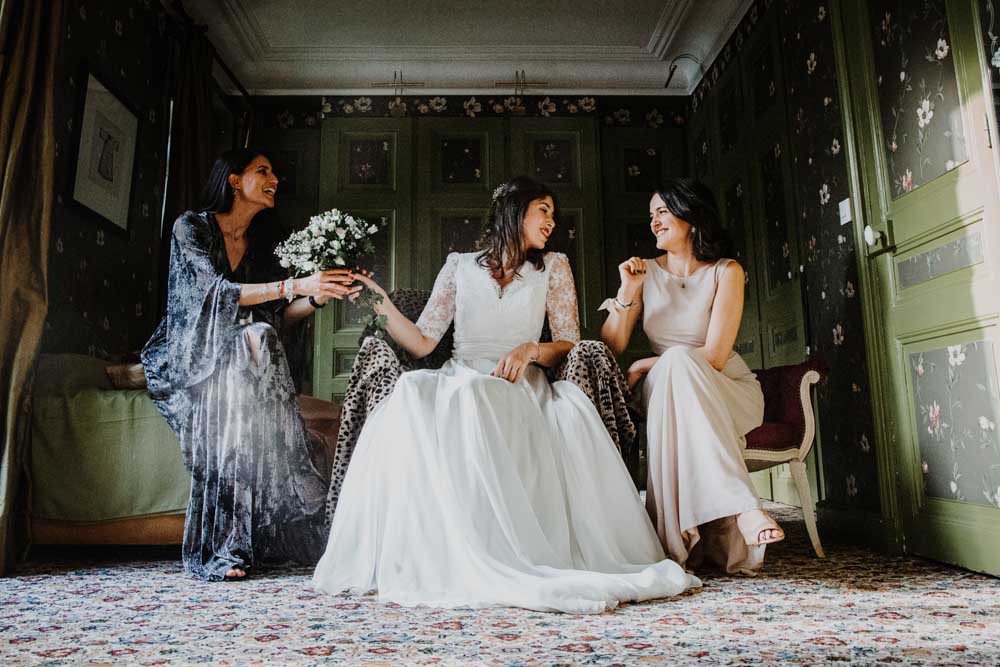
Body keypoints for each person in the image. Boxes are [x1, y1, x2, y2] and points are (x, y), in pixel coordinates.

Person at [312, 176, 700, 613]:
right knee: (411, 390)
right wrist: (378, 301)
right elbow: (422, 342)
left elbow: (569, 342)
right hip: (461, 372)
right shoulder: (459, 266)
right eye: (544, 210)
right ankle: (449, 548)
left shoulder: (553, 266)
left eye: (553, 214)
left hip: (520, 382)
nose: (552, 222)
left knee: (478, 397)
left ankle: (507, 551)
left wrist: (531, 350)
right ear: (515, 211)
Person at [141, 148, 358, 581]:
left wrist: (317, 297)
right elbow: (214, 294)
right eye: (263, 171)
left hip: (245, 353)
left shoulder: (258, 247)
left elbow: (277, 318)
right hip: (189, 353)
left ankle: (252, 538)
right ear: (235, 180)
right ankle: (224, 543)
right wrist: (294, 284)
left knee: (258, 336)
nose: (274, 178)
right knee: (252, 342)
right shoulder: (191, 227)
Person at [600, 177, 783, 576]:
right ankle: (744, 508)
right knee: (677, 367)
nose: (654, 222)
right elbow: (611, 345)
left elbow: (715, 356)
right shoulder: (645, 272)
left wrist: (645, 364)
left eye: (663, 212)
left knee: (680, 362)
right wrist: (628, 290)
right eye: (651, 215)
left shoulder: (726, 271)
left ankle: (704, 528)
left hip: (726, 388)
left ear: (691, 216)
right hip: (666, 391)